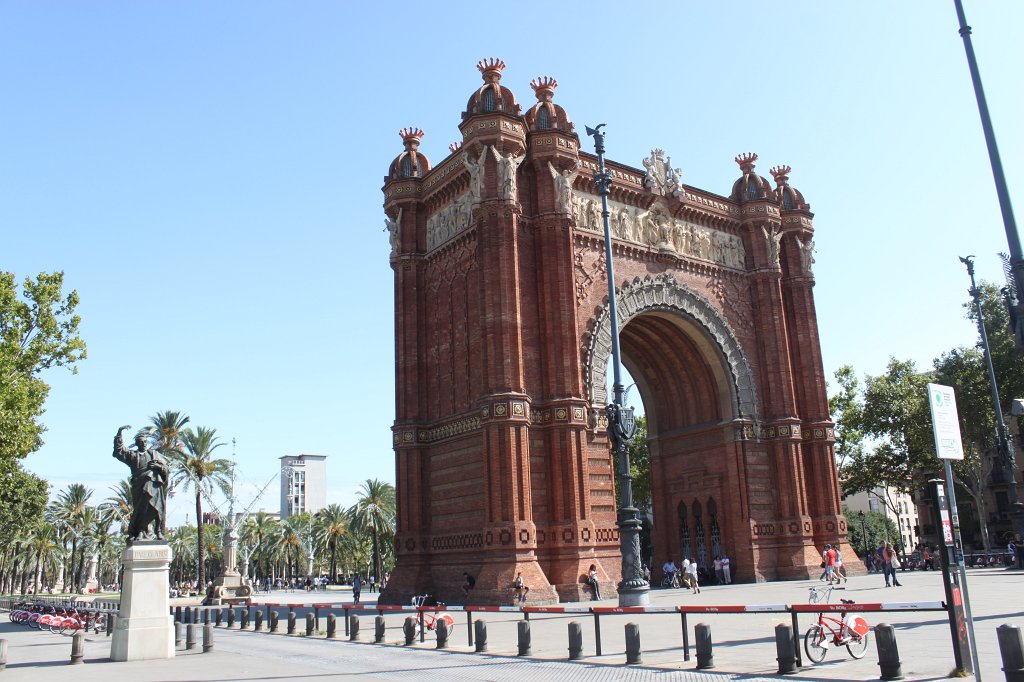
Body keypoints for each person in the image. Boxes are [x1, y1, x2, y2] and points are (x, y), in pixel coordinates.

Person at [112, 426, 170, 543]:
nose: (144, 443)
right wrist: (119, 434)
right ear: (137, 444)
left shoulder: (154, 454)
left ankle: (158, 531)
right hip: (139, 487)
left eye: (145, 442)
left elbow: (167, 468)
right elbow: (119, 452)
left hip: (154, 485)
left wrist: (159, 467)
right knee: (141, 509)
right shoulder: (133, 456)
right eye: (141, 442)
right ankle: (140, 530)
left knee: (157, 508)